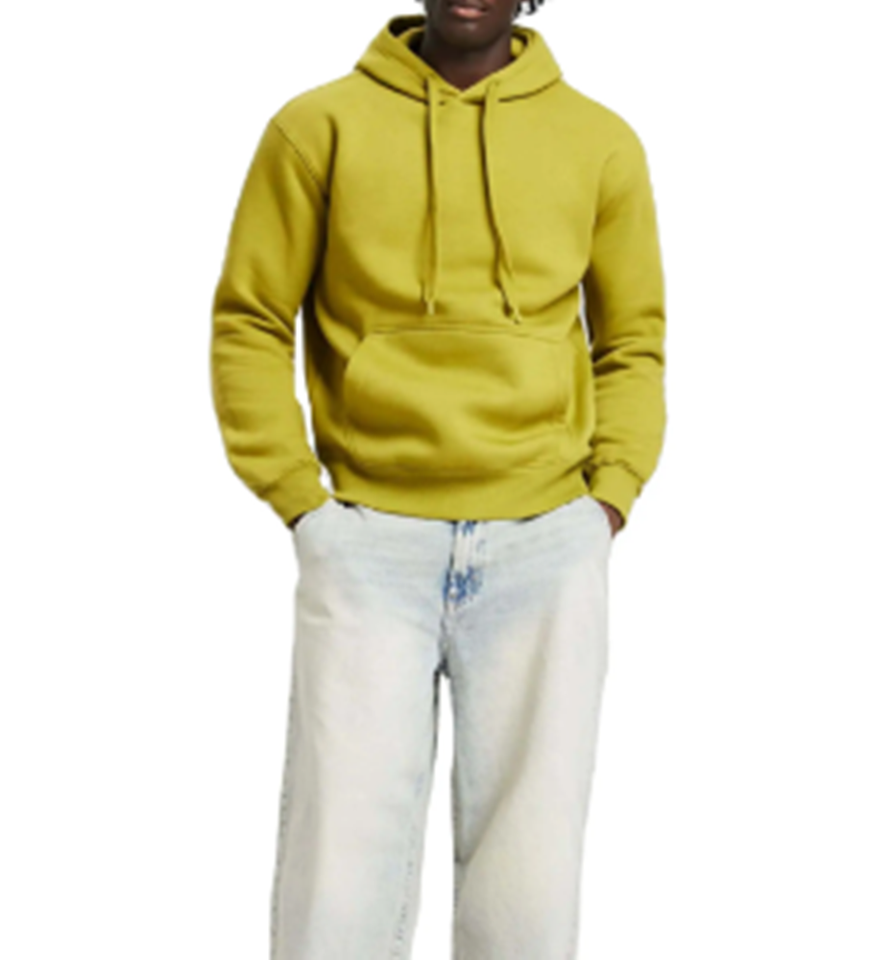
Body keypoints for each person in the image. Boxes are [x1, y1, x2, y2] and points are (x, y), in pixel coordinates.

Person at [209, 0, 666, 956]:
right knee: (337, 881)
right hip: (367, 538)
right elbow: (251, 318)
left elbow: (631, 339)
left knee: (528, 887)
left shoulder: (599, 141)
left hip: (547, 539)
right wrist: (299, 500)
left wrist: (608, 498)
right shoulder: (316, 127)